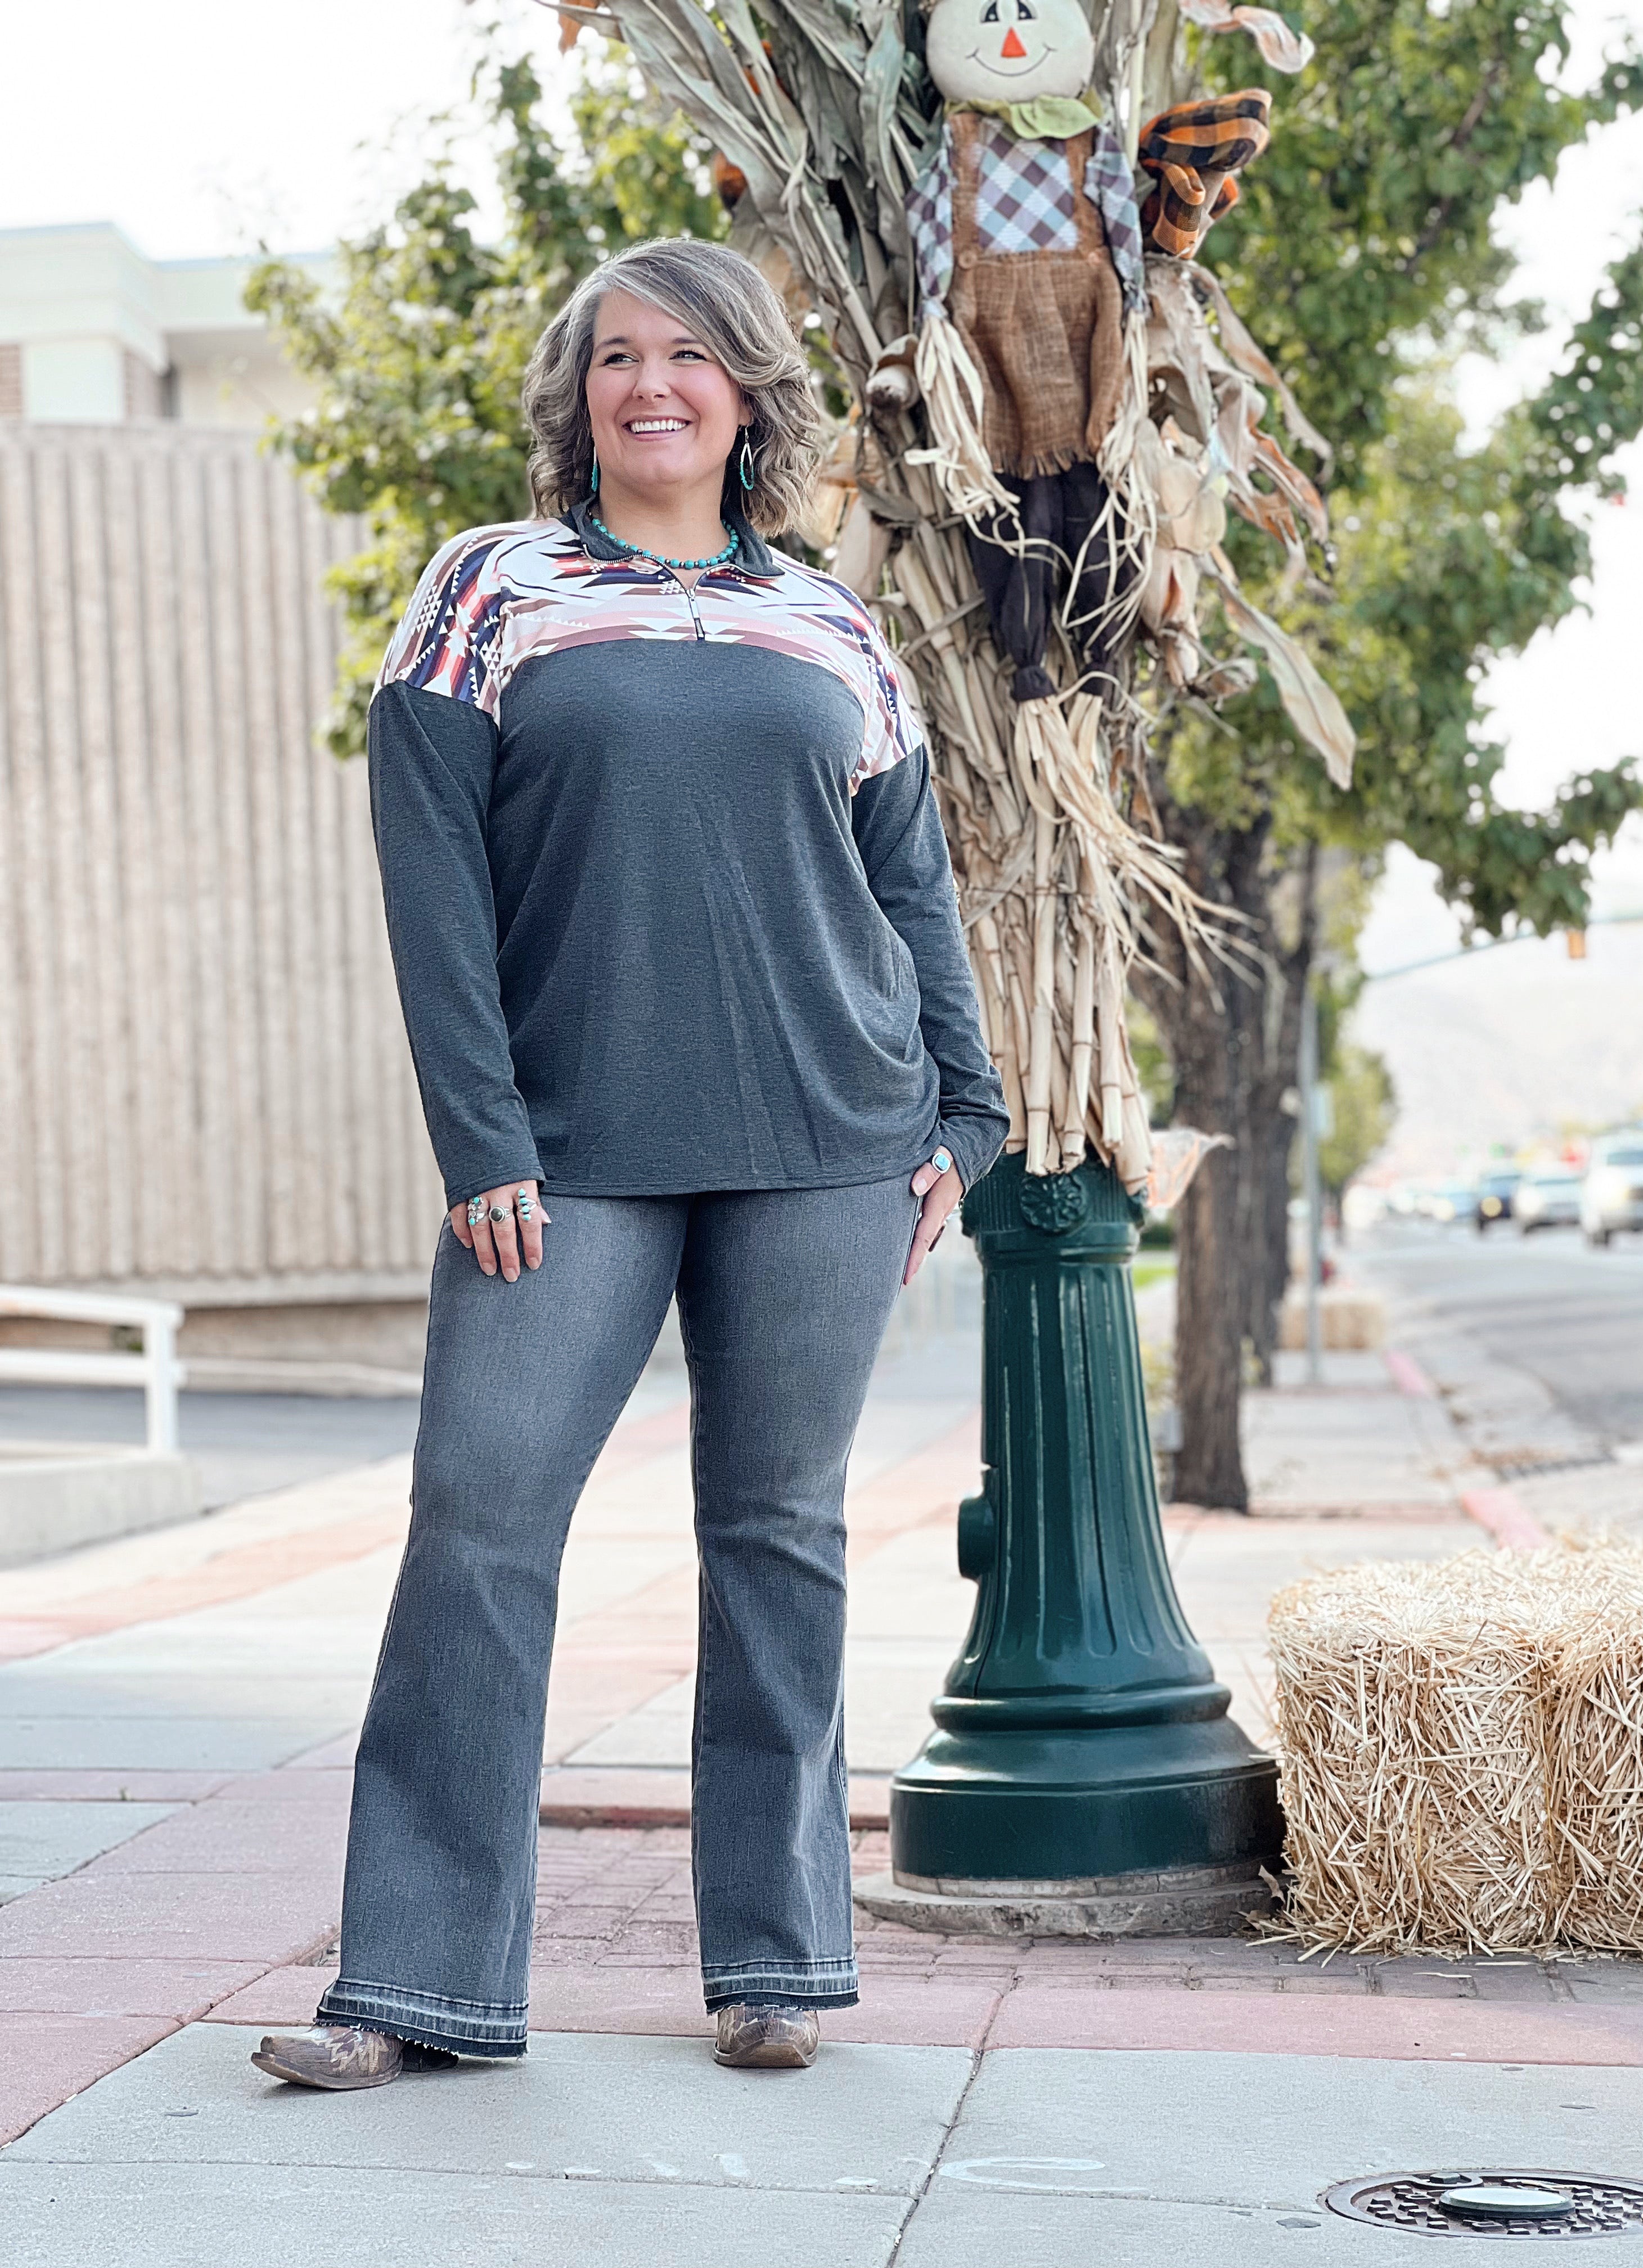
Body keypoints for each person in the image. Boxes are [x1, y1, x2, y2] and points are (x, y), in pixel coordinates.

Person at [252, 236, 1009, 2090]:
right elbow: (430, 880)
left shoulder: (833, 623)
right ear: (577, 396)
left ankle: (778, 1965)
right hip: (564, 1158)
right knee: (480, 1529)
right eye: (615, 358)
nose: (648, 386)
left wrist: (966, 1113)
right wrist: (480, 1131)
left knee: (779, 1538)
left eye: (688, 357)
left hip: (828, 1142)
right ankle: (410, 1985)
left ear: (749, 396)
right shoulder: (487, 589)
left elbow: (909, 884)